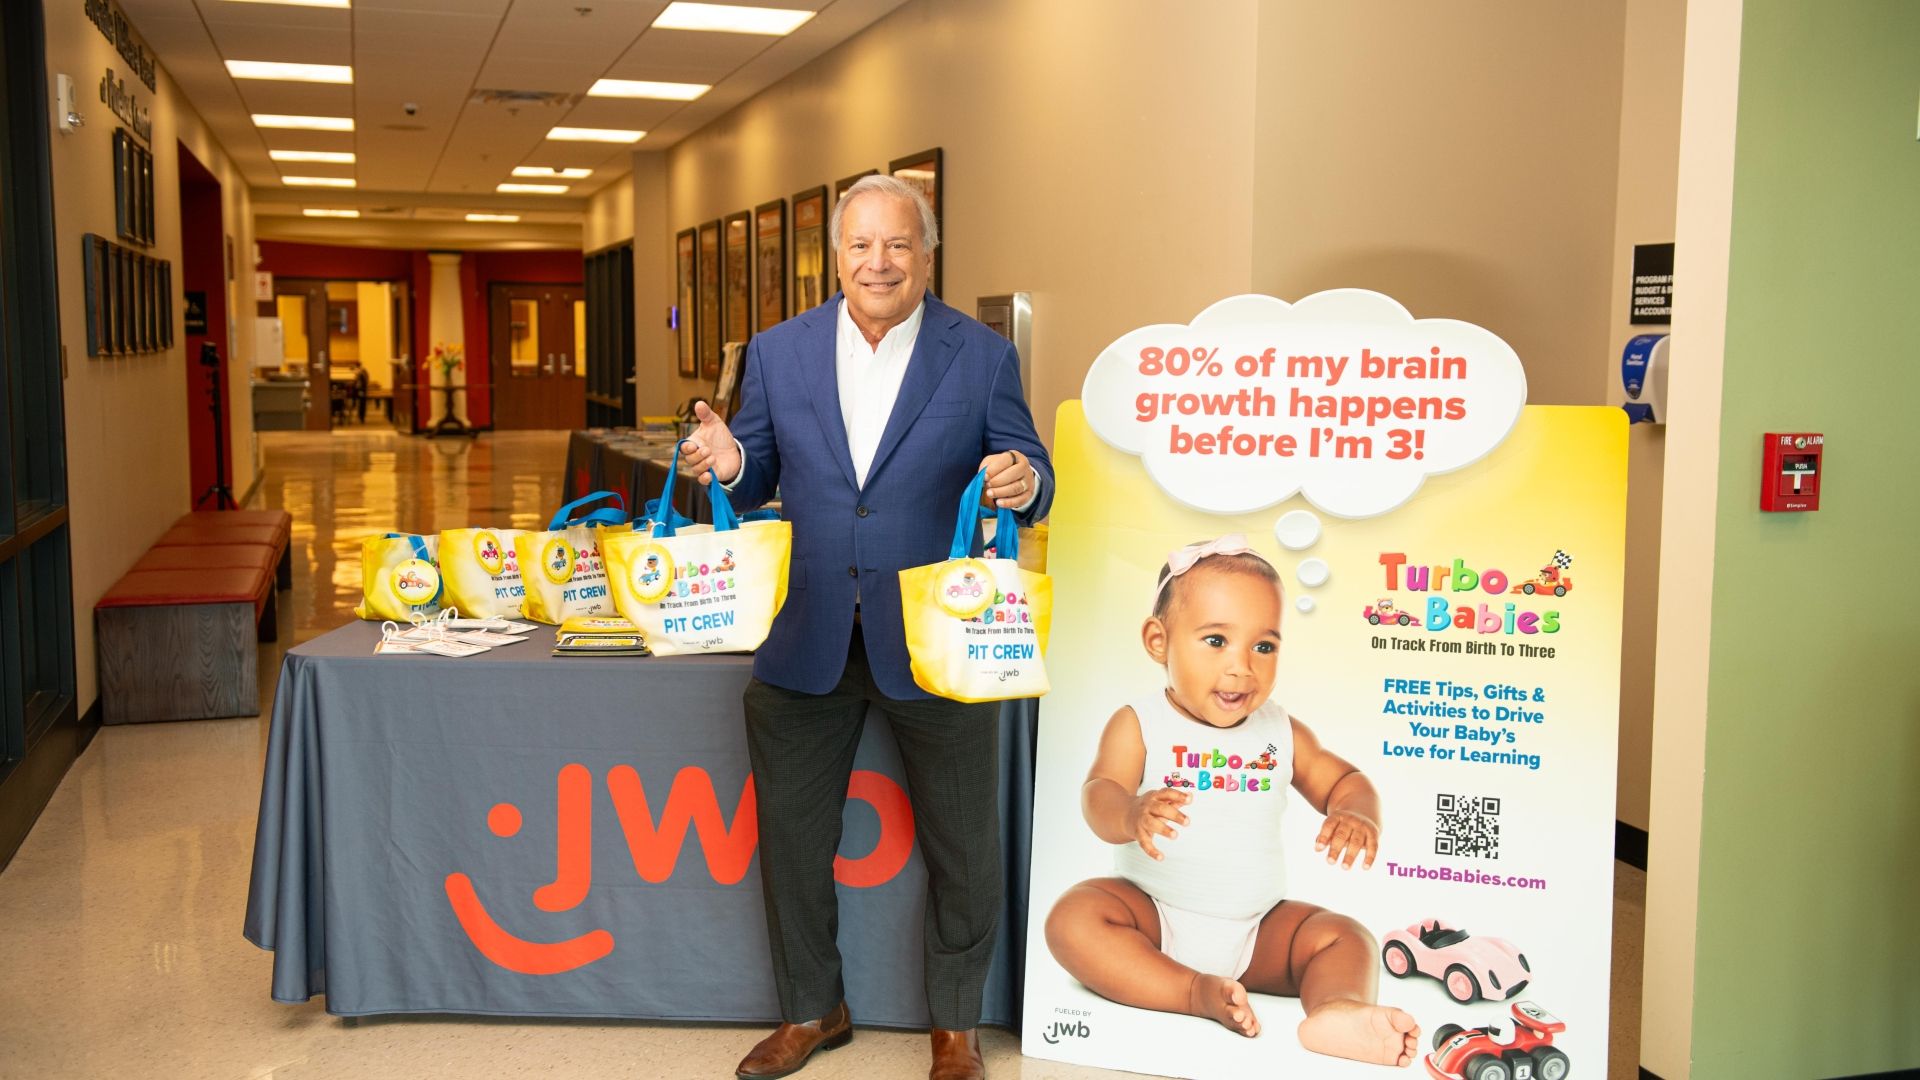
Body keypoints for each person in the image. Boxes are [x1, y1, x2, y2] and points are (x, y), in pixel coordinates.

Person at [678, 174, 1052, 1080]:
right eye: (860, 245)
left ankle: (955, 1028)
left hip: (940, 636)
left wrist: (1023, 481)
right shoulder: (778, 350)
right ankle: (813, 1009)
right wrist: (729, 462)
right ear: (836, 256)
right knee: (795, 842)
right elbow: (755, 464)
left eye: (898, 245)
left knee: (964, 844)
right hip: (805, 628)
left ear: (926, 255)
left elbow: (1031, 463)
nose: (878, 262)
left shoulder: (982, 355)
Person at [1042, 536, 1421, 1068]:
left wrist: (1354, 812)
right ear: (1158, 640)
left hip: (1259, 929)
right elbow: (1098, 793)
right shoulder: (1140, 722)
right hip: (1151, 917)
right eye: (1216, 640)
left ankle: (1337, 1011)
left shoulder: (1280, 731)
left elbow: (1344, 779)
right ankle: (1191, 991)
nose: (1242, 666)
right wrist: (1130, 813)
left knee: (1346, 937)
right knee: (1073, 918)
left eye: (1263, 647)